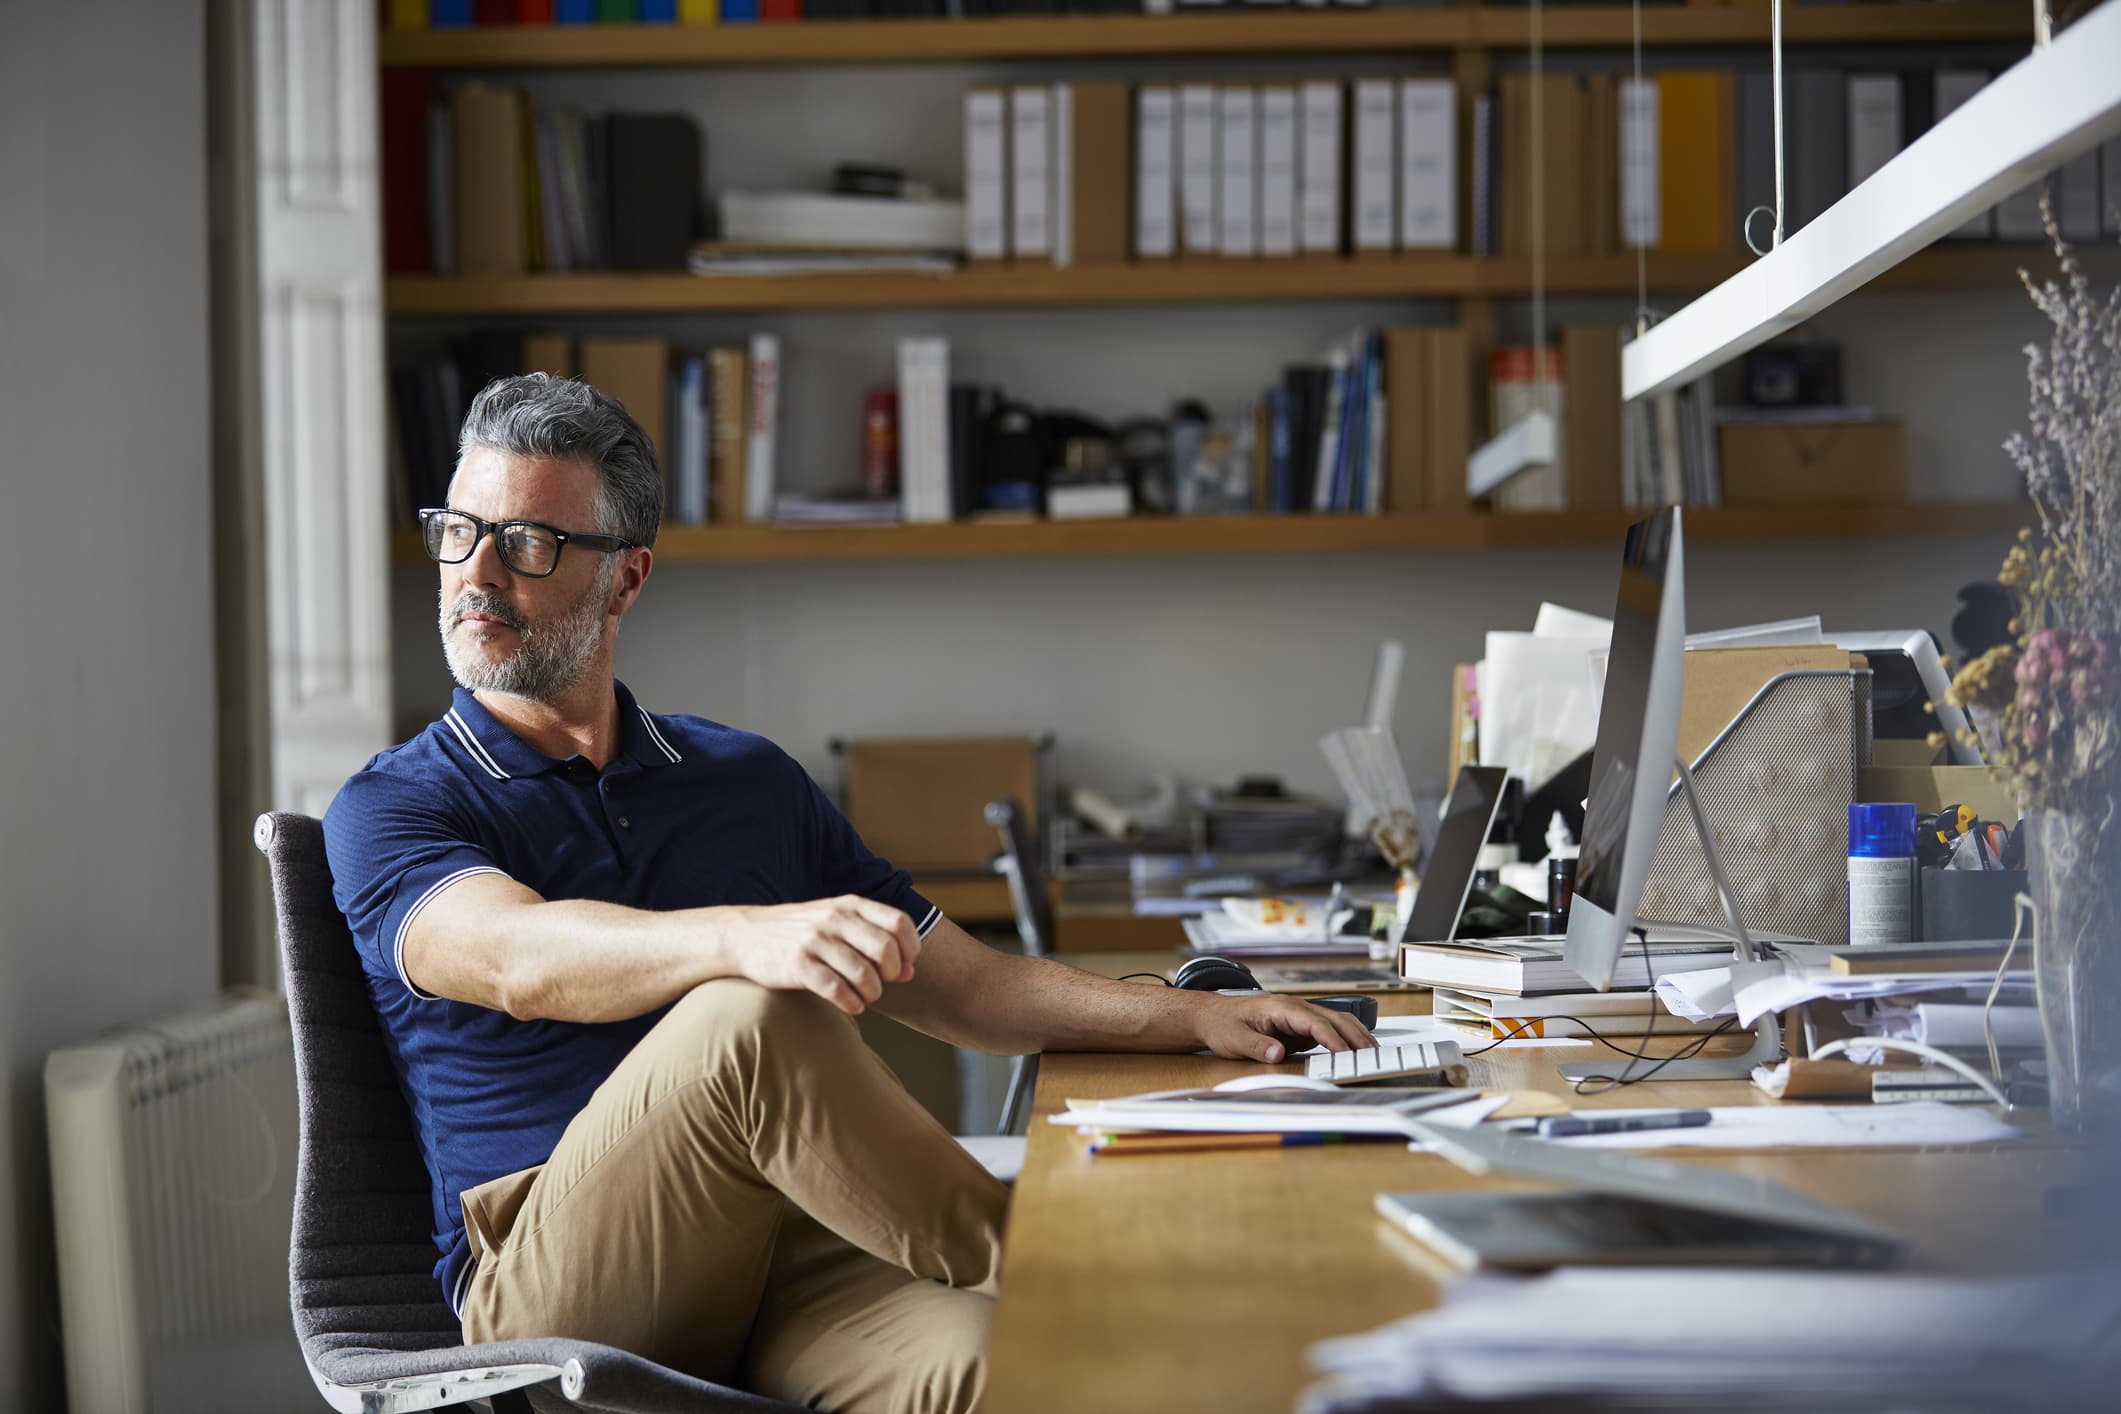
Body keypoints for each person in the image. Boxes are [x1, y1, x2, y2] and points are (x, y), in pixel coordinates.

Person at [323, 374, 1369, 1414]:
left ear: (626, 579)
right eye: (458, 532)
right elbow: (518, 960)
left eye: (529, 542)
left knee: (1007, 1365)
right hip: (558, 1291)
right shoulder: (393, 804)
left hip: (790, 1256)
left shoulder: (742, 779)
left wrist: (1196, 1015)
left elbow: (968, 988)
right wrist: (749, 938)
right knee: (752, 1014)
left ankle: (1098, 1298)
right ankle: (1094, 1268)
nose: (477, 573)